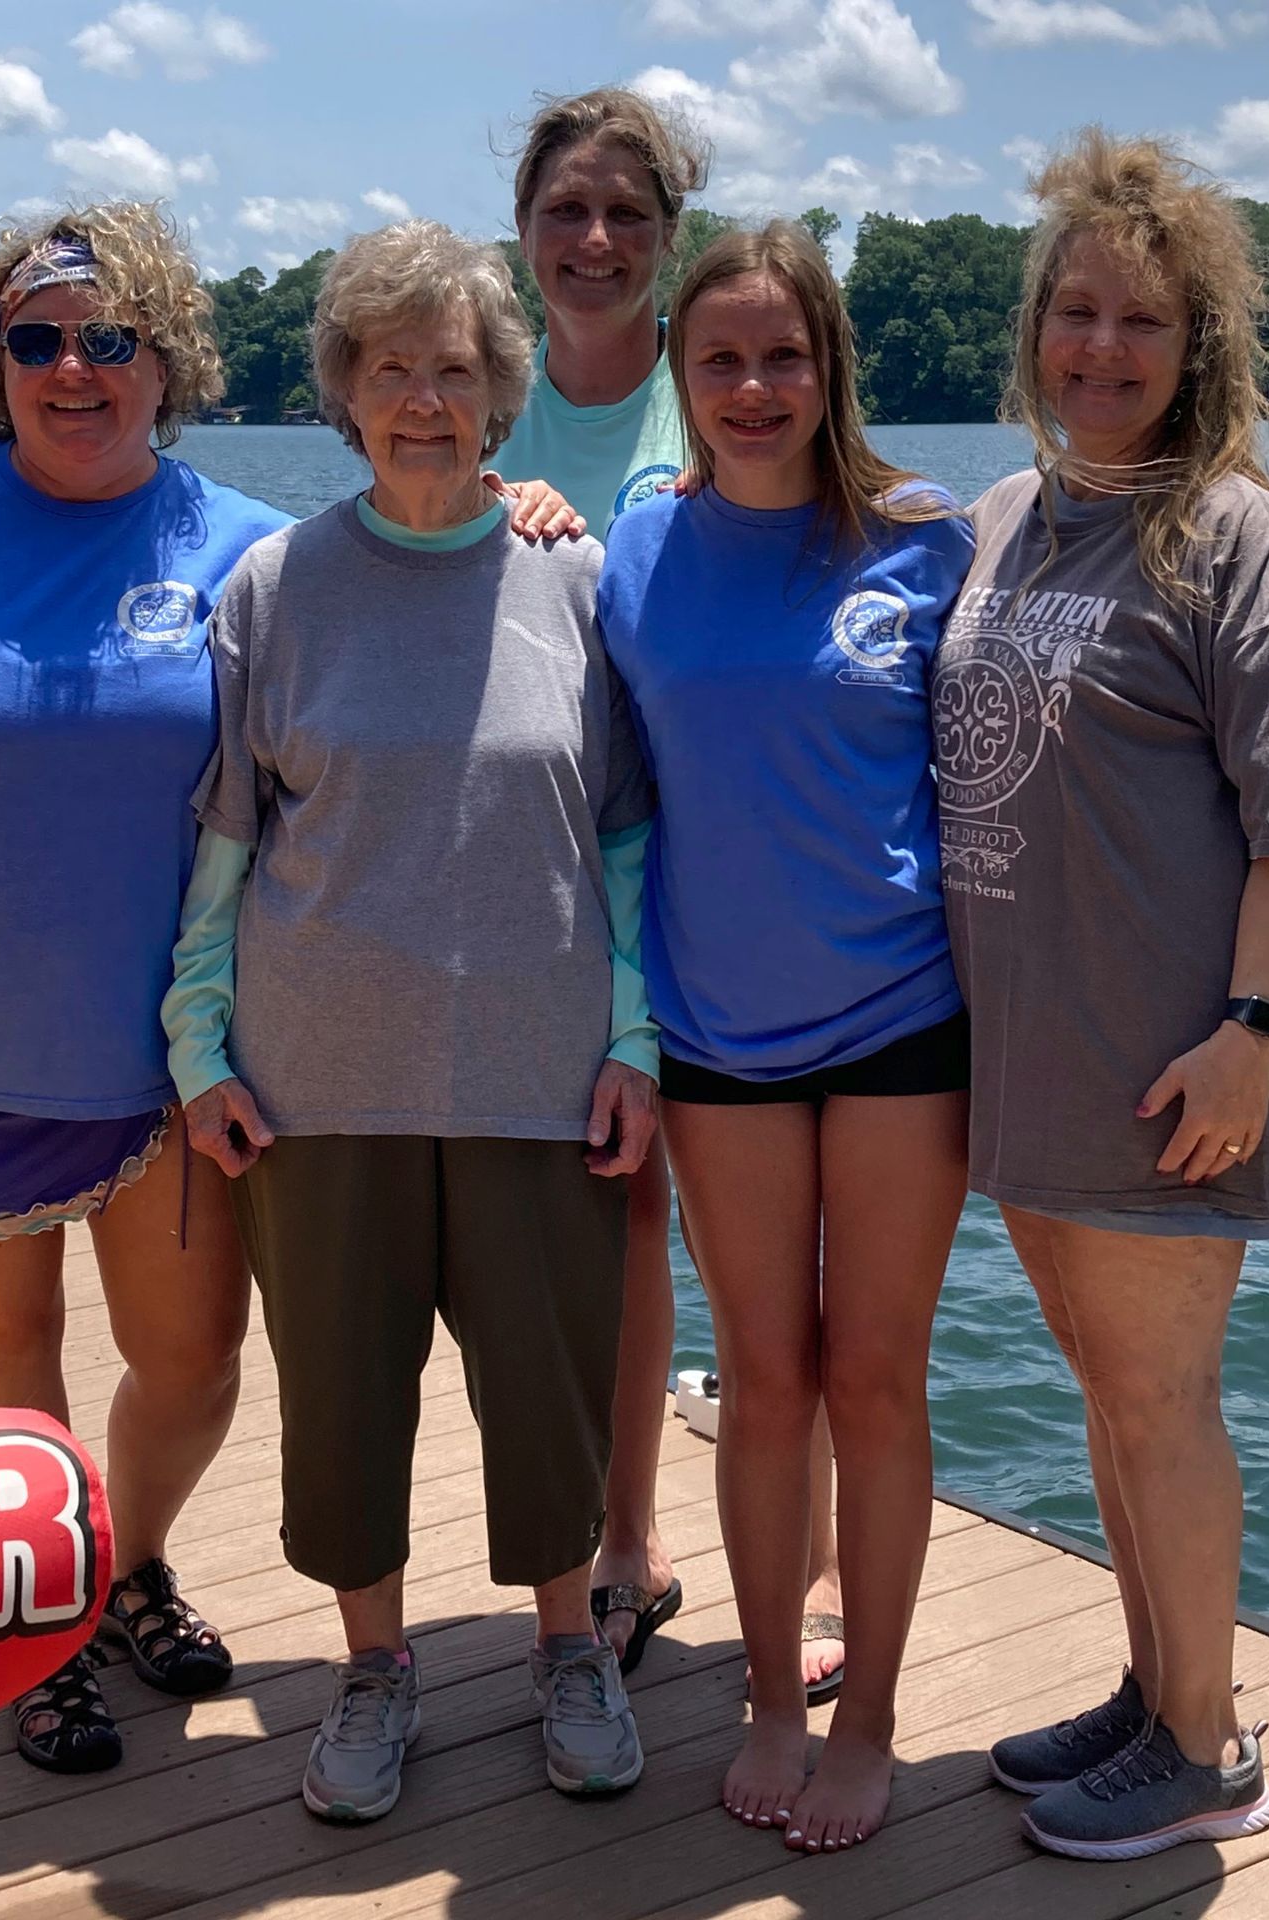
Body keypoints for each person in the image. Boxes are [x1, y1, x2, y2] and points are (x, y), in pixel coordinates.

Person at [0, 201, 575, 1777]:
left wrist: (519, 505)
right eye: (35, 340)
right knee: (9, 1349)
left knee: (190, 1363)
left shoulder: (244, 545)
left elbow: (404, 549)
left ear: (166, 359)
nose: (72, 368)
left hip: (178, 1052)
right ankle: (25, 1636)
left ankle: (118, 1573)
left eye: (110, 338)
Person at [163, 218, 658, 1826]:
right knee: (344, 1402)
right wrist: (196, 1046)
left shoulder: (573, 578)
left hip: (541, 1076)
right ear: (349, 394)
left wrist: (638, 1043)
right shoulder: (273, 588)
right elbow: (225, 842)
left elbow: (633, 841)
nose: (426, 401)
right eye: (393, 371)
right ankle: (371, 1673)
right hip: (319, 1089)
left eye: (455, 369)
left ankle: (569, 1647)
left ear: (501, 388)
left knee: (550, 1393)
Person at [933, 129, 1269, 1861]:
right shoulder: (1013, 518)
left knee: (1160, 1399)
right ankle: (1154, 1685)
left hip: (1173, 1065)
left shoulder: (1234, 537)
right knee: (1106, 1391)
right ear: (1035, 329)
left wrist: (1252, 1036)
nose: (1103, 350)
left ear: (1199, 355)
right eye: (1078, 313)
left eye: (1145, 324)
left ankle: (1207, 1747)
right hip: (1034, 1059)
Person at [599, 220, 975, 1854]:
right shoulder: (628, 552)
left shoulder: (932, 542)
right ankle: (766, 1690)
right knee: (764, 1379)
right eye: (720, 359)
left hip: (906, 1024)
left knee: (875, 1380)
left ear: (832, 366)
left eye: (784, 355)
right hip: (719, 1033)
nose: (754, 388)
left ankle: (872, 1715)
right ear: (679, 379)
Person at [504, 85, 845, 1702]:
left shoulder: (721, 398)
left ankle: (805, 1558)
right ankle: (626, 1538)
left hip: (719, 868)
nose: (595, 240)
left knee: (780, 1240)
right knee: (612, 1211)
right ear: (523, 231)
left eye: (629, 214)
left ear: (669, 239)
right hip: (533, 880)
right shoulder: (470, 401)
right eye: (568, 210)